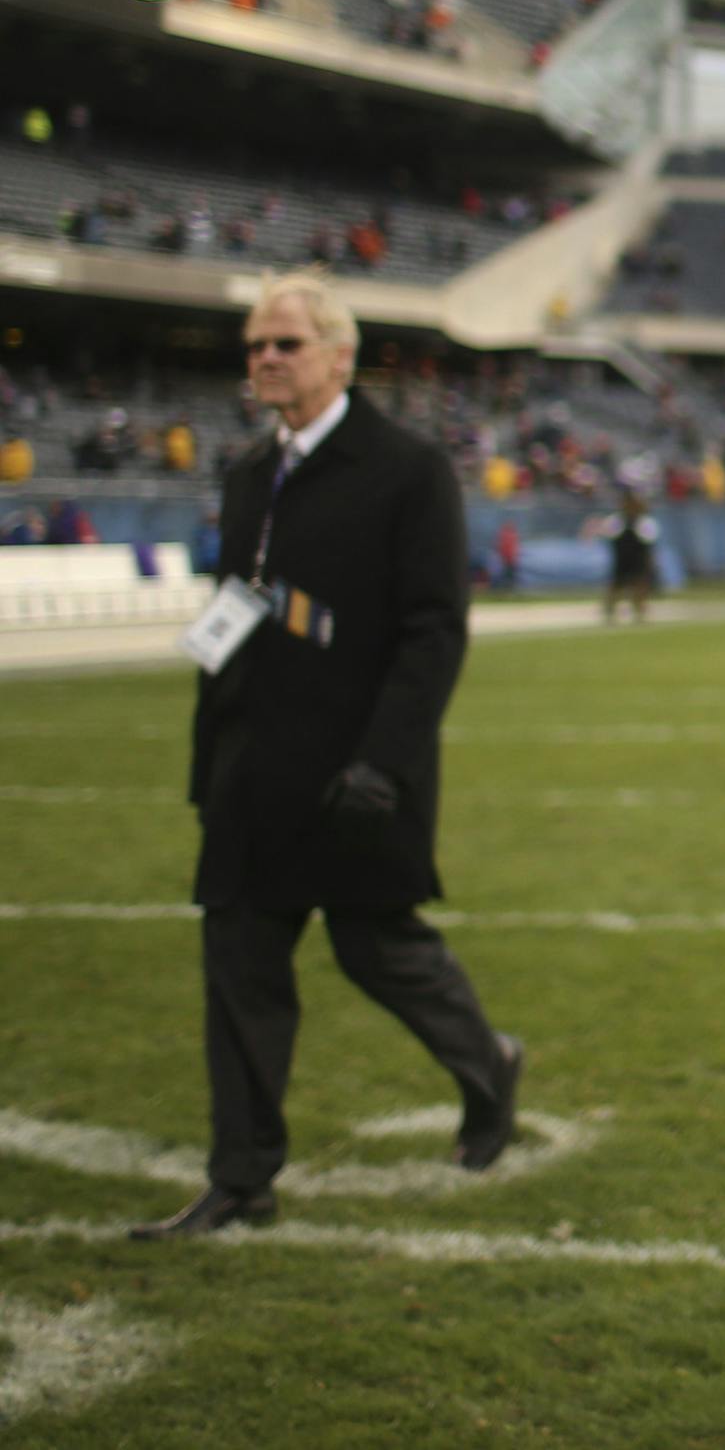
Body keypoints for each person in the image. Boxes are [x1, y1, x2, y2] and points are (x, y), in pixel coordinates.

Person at [131, 271, 521, 1240]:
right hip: (250, 776)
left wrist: (385, 761)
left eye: (286, 344)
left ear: (340, 356)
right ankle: (241, 1178)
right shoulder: (245, 476)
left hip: (355, 773)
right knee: (240, 972)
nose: (265, 358)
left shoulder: (407, 467)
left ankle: (488, 1065)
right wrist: (205, 763)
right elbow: (231, 625)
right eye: (256, 344)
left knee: (382, 950)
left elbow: (435, 629)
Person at [600, 489, 659, 622]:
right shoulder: (616, 521)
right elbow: (610, 537)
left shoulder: (644, 522)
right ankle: (610, 611)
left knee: (640, 585)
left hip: (638, 559)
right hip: (622, 559)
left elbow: (648, 543)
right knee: (616, 585)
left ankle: (640, 612)